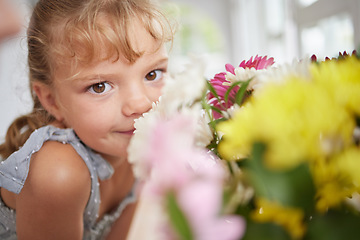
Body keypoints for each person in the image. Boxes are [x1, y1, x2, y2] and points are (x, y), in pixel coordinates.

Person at [0, 0, 174, 239]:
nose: (140, 104)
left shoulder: (141, 147)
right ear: (51, 101)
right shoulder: (59, 173)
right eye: (100, 86)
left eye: (152, 74)